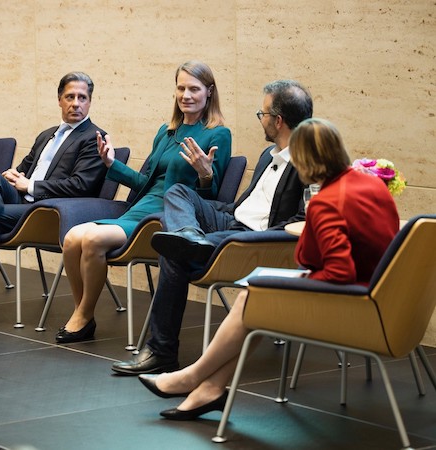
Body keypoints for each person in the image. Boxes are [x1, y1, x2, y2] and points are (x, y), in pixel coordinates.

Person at [137, 117, 400, 421]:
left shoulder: (325, 201)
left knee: (255, 295)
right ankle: (207, 389)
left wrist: (303, 259)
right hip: (381, 293)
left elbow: (337, 270)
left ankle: (191, 377)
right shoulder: (368, 181)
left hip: (354, 302)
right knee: (256, 297)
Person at [113, 79, 312, 375]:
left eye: (263, 115)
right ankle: (191, 236)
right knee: (178, 192)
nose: (262, 121)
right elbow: (245, 204)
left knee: (173, 251)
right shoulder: (266, 157)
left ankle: (161, 351)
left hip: (254, 238)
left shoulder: (307, 162)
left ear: (278, 121)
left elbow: (303, 221)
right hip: (232, 219)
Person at [56, 61, 232, 344]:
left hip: (171, 216)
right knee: (73, 237)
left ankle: (83, 316)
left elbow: (211, 202)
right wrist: (111, 163)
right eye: (181, 88)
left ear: (209, 92)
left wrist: (205, 173)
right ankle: (82, 314)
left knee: (91, 240)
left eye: (194, 89)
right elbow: (145, 183)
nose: (186, 95)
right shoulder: (166, 131)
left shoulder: (218, 134)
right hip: (141, 208)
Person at [0, 71, 107, 326]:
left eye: (82, 97)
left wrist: (32, 186)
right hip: (24, 200)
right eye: (70, 96)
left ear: (90, 102)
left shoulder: (94, 138)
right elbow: (25, 168)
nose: (76, 103)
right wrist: (14, 175)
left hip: (49, 210)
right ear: (59, 99)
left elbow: (82, 185)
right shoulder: (47, 134)